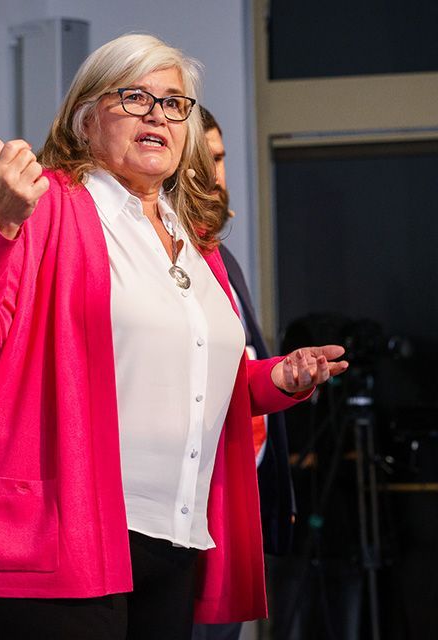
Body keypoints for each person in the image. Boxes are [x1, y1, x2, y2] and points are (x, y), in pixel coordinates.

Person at [0, 33, 348, 640]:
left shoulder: (196, 244)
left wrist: (276, 379)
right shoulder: (49, 207)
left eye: (175, 103)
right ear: (86, 119)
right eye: (135, 97)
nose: (158, 113)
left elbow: (191, 379)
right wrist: (1, 221)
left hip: (171, 535)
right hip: (55, 533)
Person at [192, 109, 297, 640]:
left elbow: (238, 376)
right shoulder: (162, 259)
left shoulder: (224, 259)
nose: (215, 176)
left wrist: (286, 377)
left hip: (237, 503)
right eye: (202, 160)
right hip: (187, 511)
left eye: (221, 158)